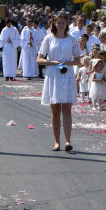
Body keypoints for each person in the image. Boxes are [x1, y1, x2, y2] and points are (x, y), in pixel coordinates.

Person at [38, 13, 83, 152]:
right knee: (55, 111)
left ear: (66, 24)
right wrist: (52, 62)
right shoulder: (48, 39)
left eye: (63, 22)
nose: (61, 25)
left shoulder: (72, 39)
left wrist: (68, 62)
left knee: (67, 109)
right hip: (53, 75)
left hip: (67, 74)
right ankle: (57, 141)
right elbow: (39, 59)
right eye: (58, 23)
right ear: (54, 24)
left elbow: (78, 59)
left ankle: (68, 141)